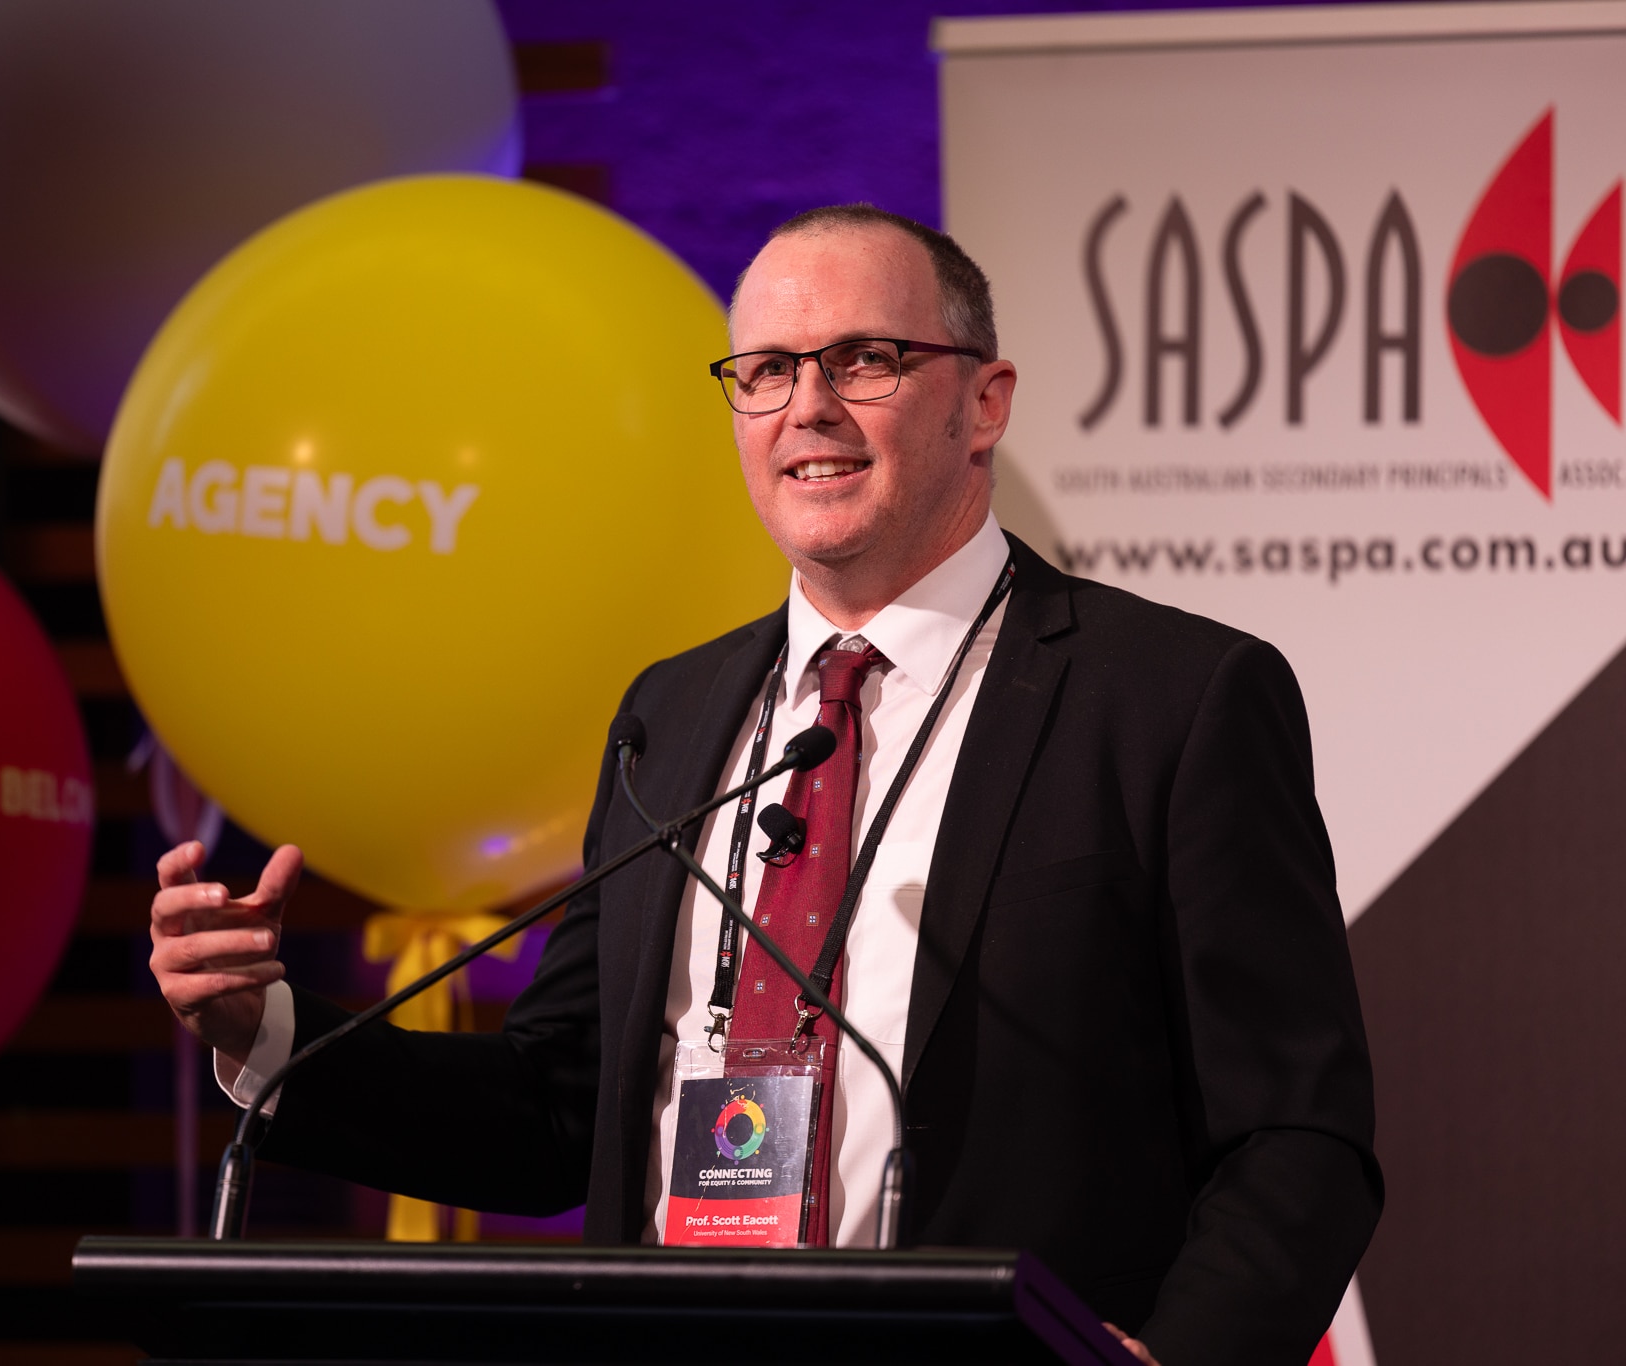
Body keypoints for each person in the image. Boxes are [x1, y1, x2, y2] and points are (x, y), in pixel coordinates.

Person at [147, 204, 1380, 1366]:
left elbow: (1294, 1132)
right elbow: (557, 1111)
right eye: (766, 372)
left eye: (864, 360)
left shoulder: (1169, 697)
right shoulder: (669, 718)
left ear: (984, 401)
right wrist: (269, 1032)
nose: (808, 409)